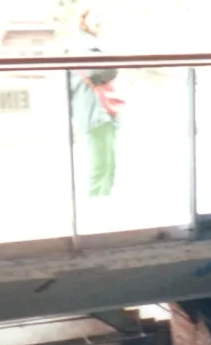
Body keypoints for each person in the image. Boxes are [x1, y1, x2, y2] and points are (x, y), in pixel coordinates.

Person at [69, 6, 124, 200]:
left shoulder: (93, 43)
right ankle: (95, 204)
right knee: (101, 164)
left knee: (109, 163)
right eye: (95, 16)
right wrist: (111, 66)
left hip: (102, 112)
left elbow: (109, 69)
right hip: (94, 112)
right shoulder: (81, 45)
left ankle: (102, 201)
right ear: (84, 19)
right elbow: (98, 72)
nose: (100, 20)